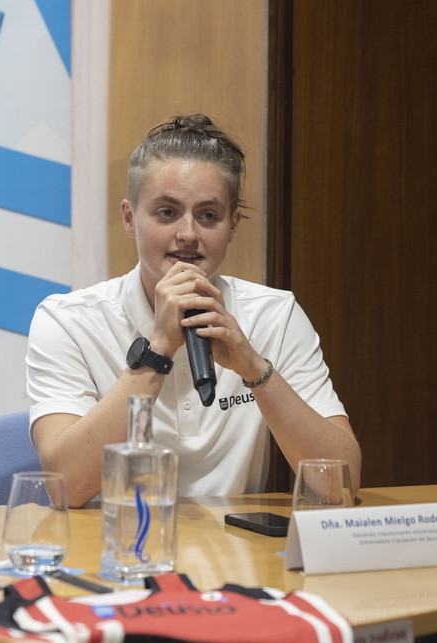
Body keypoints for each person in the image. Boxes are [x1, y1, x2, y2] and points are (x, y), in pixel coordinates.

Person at [27, 115, 361, 507]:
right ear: (130, 219)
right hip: (116, 540)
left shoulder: (276, 315)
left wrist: (254, 368)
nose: (188, 234)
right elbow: (65, 487)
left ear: (232, 226)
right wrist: (158, 350)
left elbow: (341, 484)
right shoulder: (66, 321)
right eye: (167, 213)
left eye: (208, 216)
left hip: (235, 543)